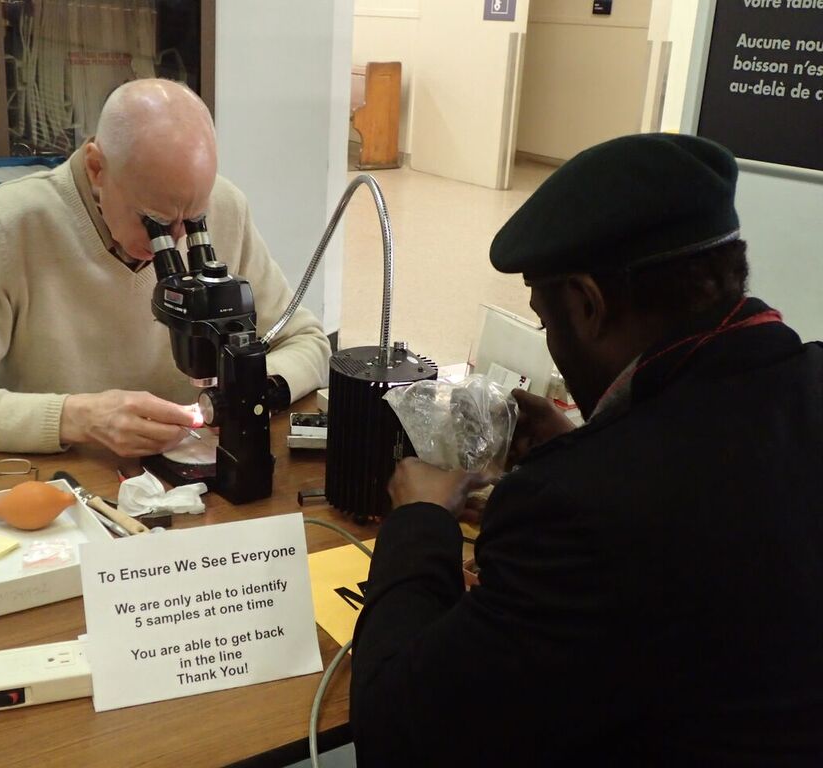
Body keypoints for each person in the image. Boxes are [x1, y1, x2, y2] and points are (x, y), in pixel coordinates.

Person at [350, 133, 823, 766]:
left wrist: (420, 520)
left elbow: (394, 732)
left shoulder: (575, 513)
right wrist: (594, 443)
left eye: (548, 321)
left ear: (589, 304)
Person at [0, 79, 329, 458]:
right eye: (154, 221)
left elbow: (307, 342)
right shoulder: (12, 225)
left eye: (193, 220)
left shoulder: (226, 206)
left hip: (190, 481)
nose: (175, 241)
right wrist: (73, 417)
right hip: (65, 490)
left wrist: (247, 393)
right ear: (97, 169)